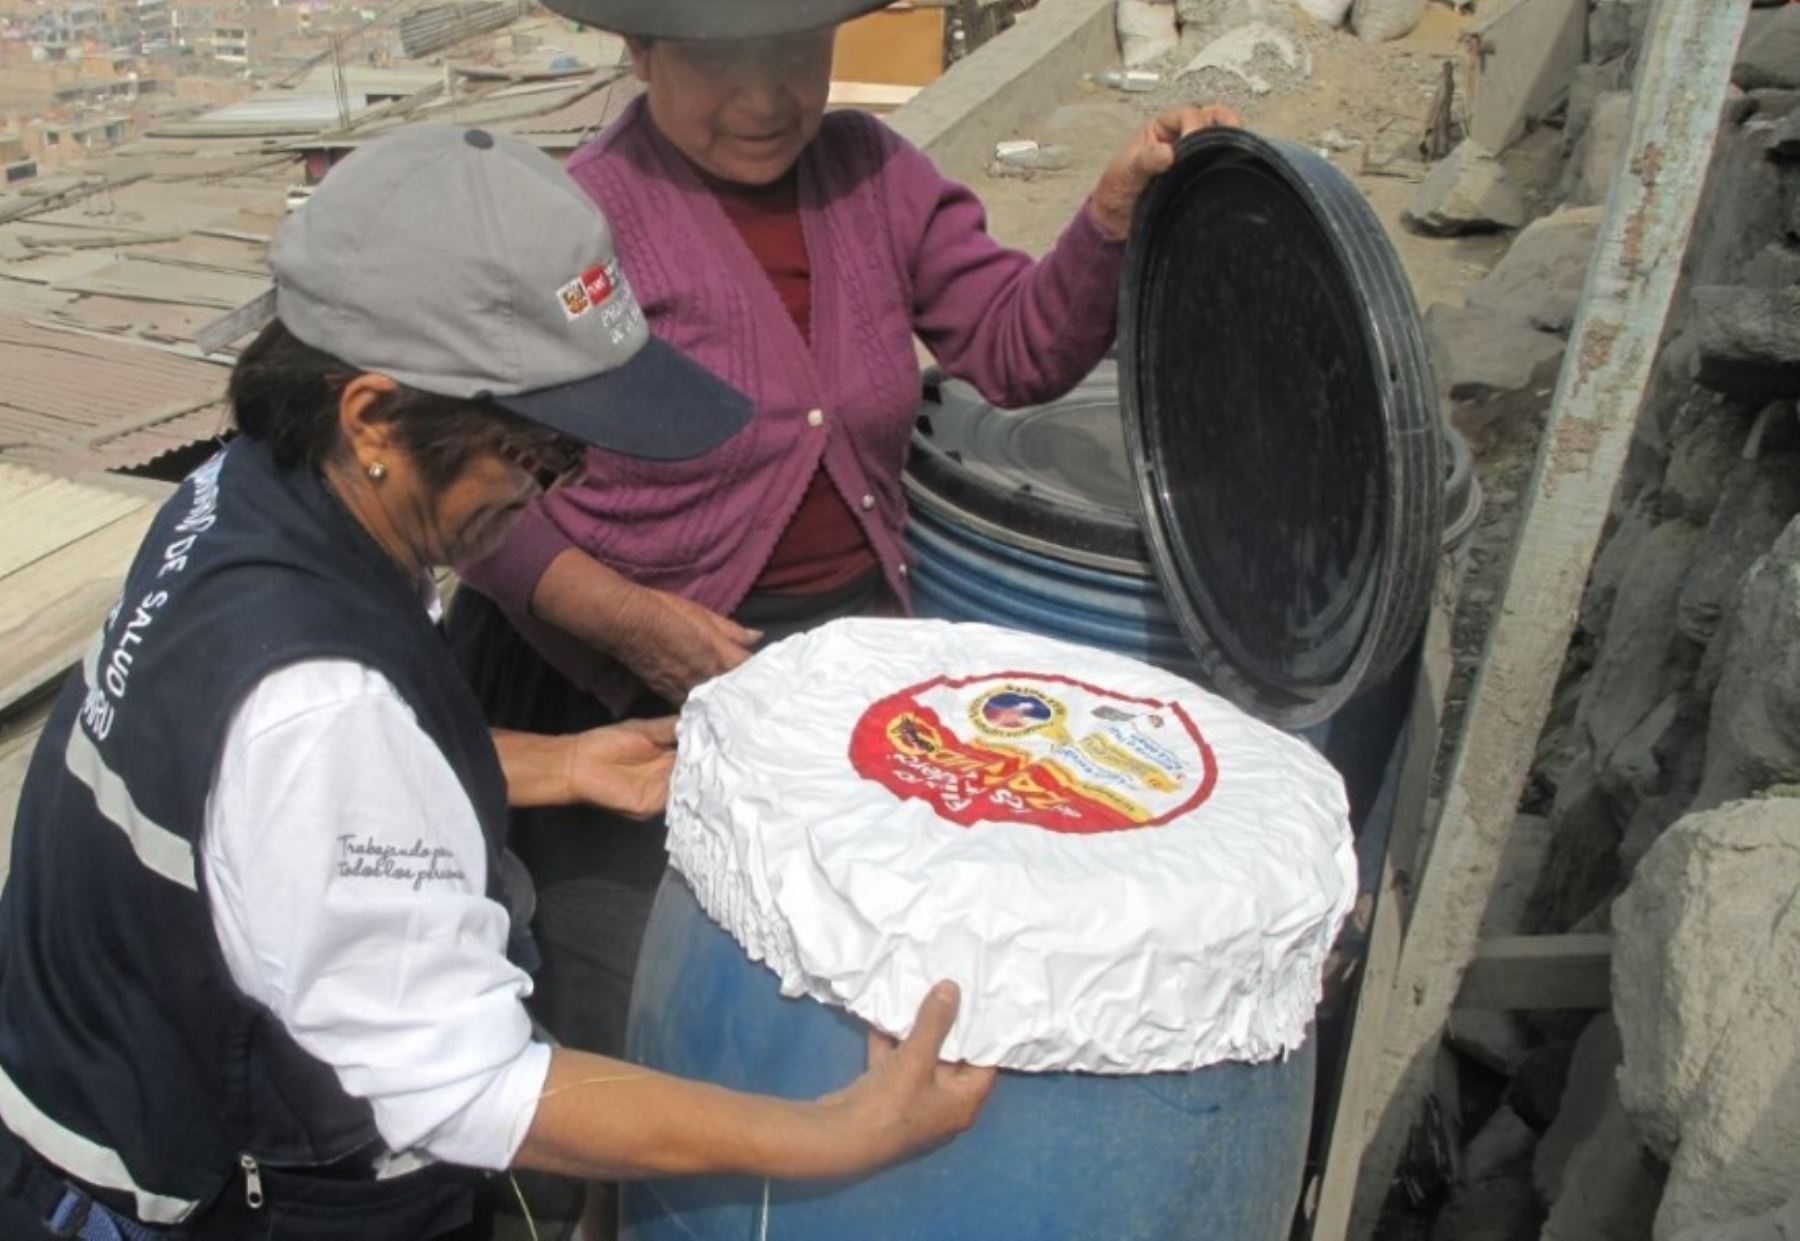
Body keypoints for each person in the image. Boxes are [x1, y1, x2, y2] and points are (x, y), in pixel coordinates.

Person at [0, 124, 992, 1241]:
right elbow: (470, 1086)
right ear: (373, 414)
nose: (557, 490)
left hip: (91, 1086)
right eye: (537, 455)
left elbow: (247, 806)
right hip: (202, 1192)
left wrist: (554, 762)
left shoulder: (243, 491)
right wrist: (835, 1131)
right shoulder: (320, 703)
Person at [449, 0, 1242, 1087]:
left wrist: (1106, 223)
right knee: (643, 1010)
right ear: (639, 53)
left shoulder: (874, 173)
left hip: (831, 672)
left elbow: (1015, 350)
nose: (768, 100)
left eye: (796, 55)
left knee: (851, 983)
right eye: (723, 63)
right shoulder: (583, 218)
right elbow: (466, 490)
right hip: (607, 676)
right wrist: (626, 619)